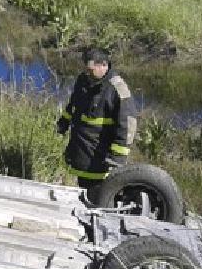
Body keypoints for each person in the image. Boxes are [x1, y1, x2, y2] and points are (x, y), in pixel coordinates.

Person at [55, 48, 141, 202]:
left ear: (104, 65)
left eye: (90, 70)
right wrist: (64, 122)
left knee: (98, 199)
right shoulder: (83, 80)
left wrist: (117, 158)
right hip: (81, 153)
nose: (87, 73)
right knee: (83, 193)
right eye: (85, 69)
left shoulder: (117, 88)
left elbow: (128, 124)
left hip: (100, 160)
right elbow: (74, 104)